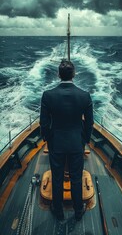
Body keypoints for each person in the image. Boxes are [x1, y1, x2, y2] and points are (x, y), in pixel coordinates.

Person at [40, 60, 94, 221]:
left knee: (56, 179)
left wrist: (48, 139)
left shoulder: (48, 95)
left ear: (58, 75)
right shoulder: (84, 96)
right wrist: (84, 139)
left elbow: (43, 123)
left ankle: (58, 212)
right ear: (74, 74)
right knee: (76, 178)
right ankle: (78, 212)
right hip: (76, 143)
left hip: (56, 143)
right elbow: (90, 123)